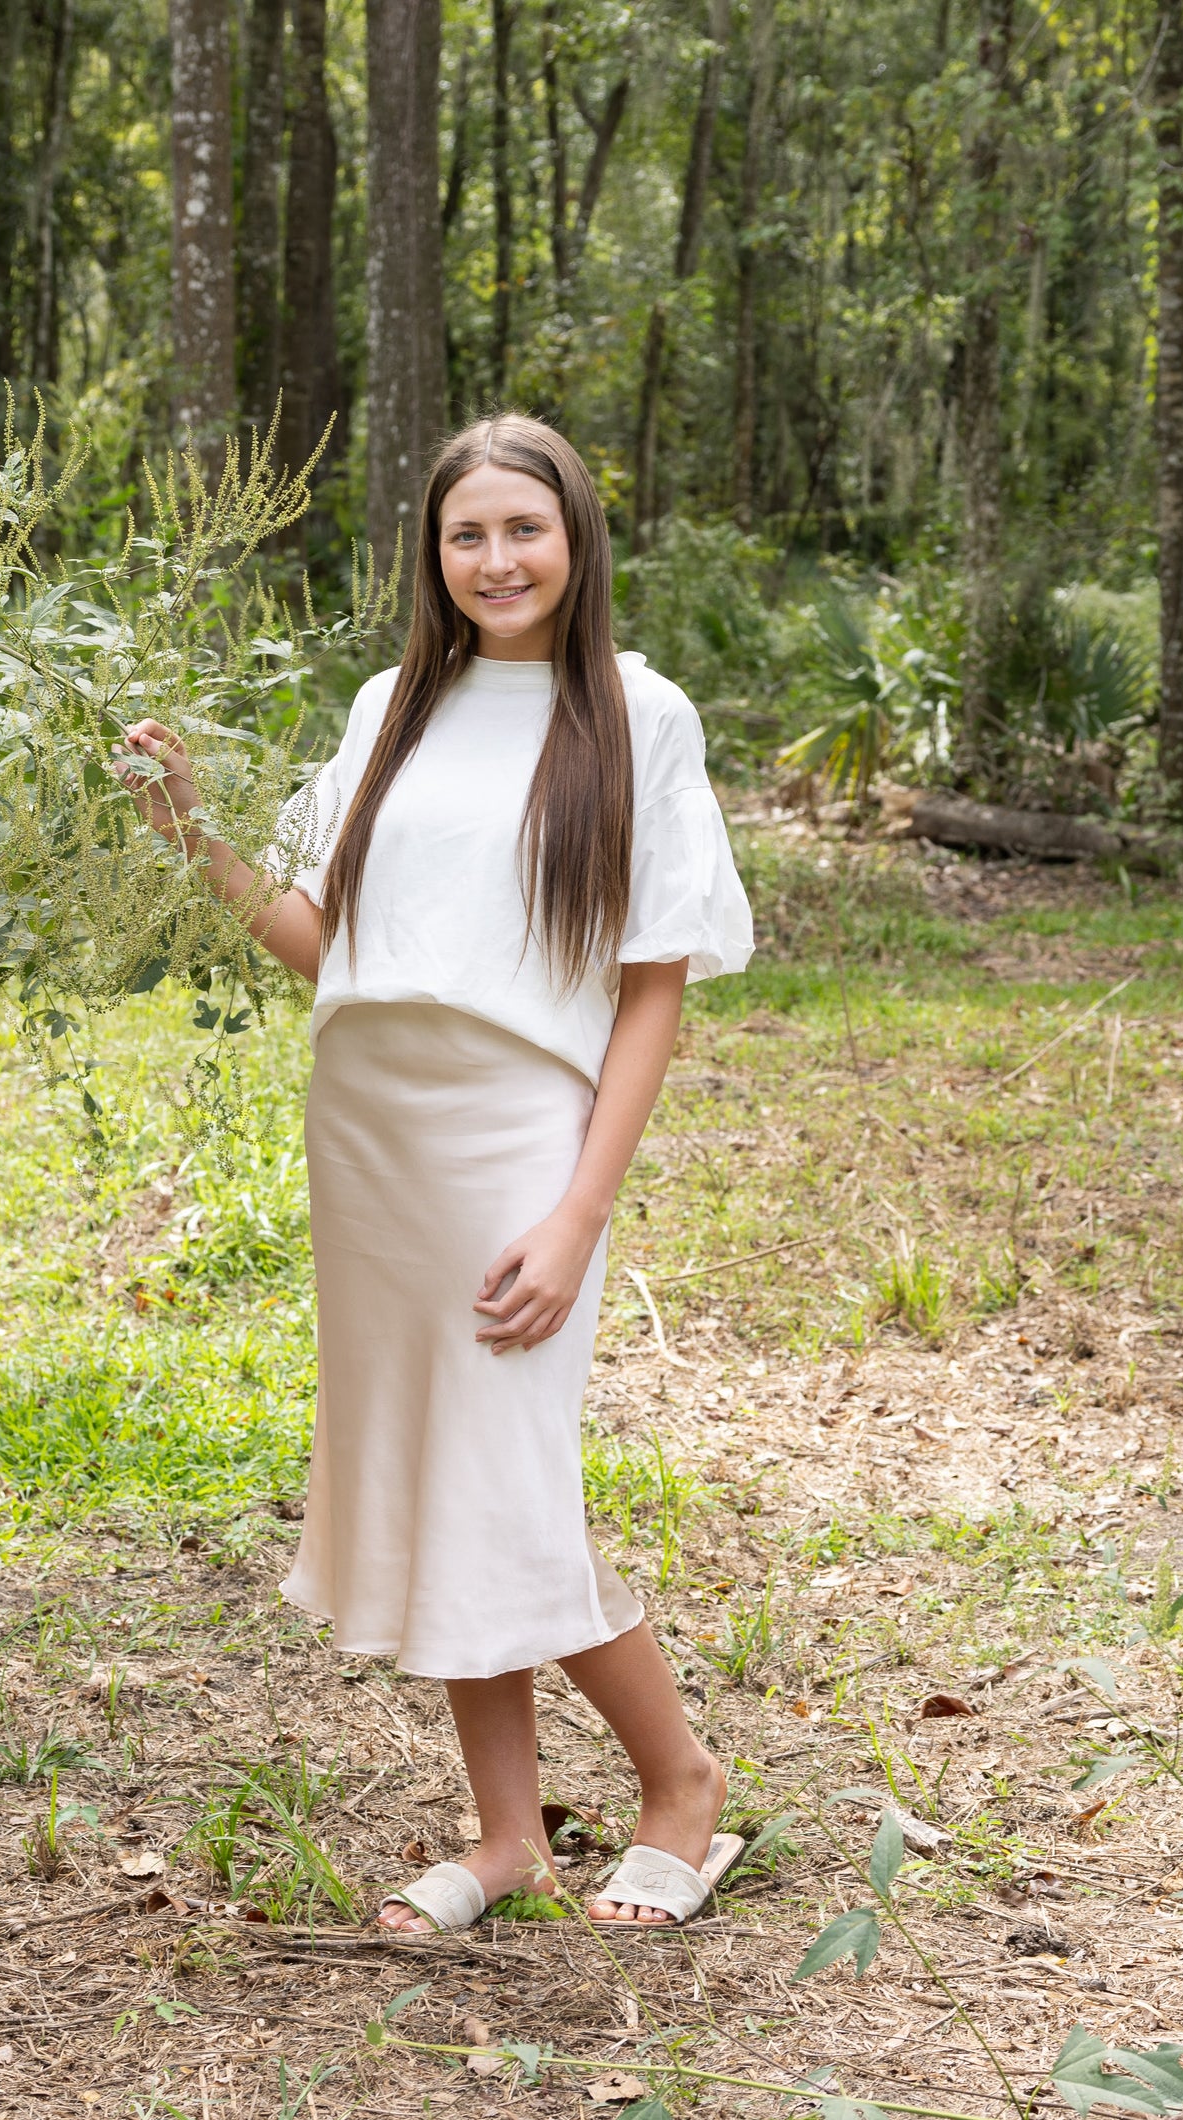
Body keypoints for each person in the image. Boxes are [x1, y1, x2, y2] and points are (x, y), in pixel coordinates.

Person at [118, 414, 753, 1931]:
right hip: (370, 1134)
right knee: (437, 1476)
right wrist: (195, 831)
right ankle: (509, 1835)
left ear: (575, 539)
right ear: (434, 555)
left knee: (508, 1479)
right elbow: (327, 949)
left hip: (516, 1132)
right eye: (465, 535)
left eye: (521, 530)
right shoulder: (391, 706)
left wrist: (578, 1211)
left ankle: (683, 1789)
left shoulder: (637, 716)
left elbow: (653, 985)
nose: (495, 560)